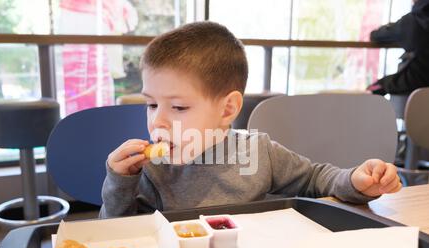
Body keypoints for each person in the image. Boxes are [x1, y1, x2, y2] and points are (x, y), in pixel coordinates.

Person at [99, 22, 402, 218]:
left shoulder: (259, 152)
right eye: (151, 104)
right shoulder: (154, 170)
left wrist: (355, 181)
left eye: (178, 107)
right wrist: (119, 182)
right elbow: (118, 237)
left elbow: (314, 179)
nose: (158, 122)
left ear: (228, 109)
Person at [367, 0, 429, 95]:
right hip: (419, 83)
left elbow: (376, 36)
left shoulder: (410, 22)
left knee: (375, 88)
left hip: (414, 83)